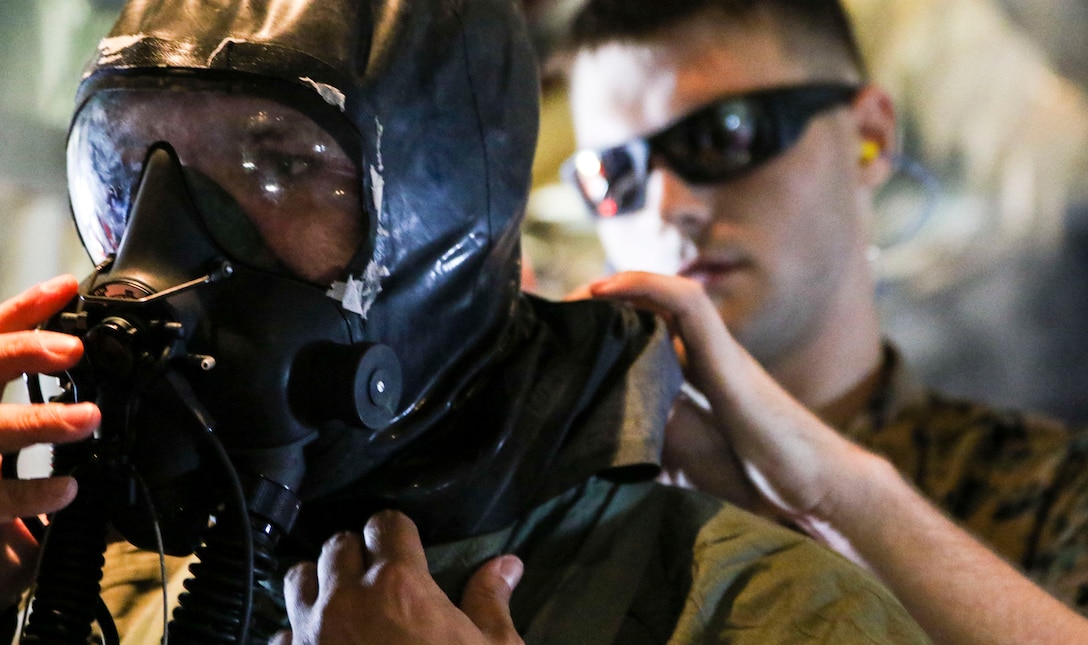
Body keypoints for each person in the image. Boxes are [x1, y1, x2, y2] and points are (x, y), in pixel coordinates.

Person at [2, 0, 929, 643]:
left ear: (444, 215)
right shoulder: (100, 585)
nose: (167, 243)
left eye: (278, 161)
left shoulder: (754, 610)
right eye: (129, 169)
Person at [559, 0, 1088, 610]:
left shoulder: (1053, 491)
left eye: (726, 134)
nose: (665, 206)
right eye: (610, 176)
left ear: (869, 135)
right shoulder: (562, 507)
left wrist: (838, 492)